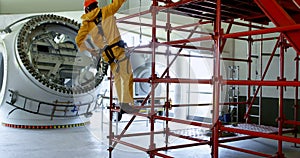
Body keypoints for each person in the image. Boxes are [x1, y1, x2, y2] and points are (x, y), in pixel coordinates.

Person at [75, 0, 138, 114]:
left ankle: (122, 103)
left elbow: (79, 40)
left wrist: (92, 51)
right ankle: (126, 103)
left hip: (108, 54)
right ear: (96, 5)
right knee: (127, 75)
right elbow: (118, 2)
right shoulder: (107, 11)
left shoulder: (87, 23)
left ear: (87, 9)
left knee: (118, 77)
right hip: (118, 49)